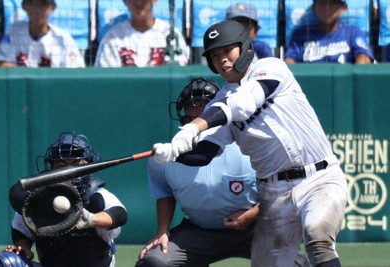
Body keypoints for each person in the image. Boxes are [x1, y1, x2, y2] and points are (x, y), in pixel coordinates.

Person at [153, 19, 347, 267]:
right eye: (214, 55)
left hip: (319, 178)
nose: (222, 59)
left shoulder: (272, 68)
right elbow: (204, 153)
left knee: (317, 235)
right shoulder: (218, 105)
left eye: (227, 51)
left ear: (245, 47)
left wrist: (193, 127)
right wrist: (172, 153)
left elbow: (240, 104)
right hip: (275, 193)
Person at [136, 78, 309, 267]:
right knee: (153, 262)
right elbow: (165, 193)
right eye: (193, 105)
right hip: (200, 230)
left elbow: (281, 190)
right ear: (184, 111)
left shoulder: (250, 146)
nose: (199, 111)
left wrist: (252, 214)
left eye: (207, 105)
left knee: (296, 264)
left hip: (255, 229)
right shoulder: (166, 156)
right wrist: (161, 230)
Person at [6, 132, 127, 267]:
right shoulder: (36, 201)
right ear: (51, 169)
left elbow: (119, 214)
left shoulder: (96, 196)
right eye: (62, 166)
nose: (70, 172)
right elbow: (20, 230)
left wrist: (89, 219)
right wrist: (22, 248)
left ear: (89, 167)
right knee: (6, 263)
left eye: (76, 165)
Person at [94, 0, 190, 67]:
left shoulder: (170, 33)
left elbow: (179, 73)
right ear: (125, 1)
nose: (138, 2)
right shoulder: (113, 37)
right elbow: (106, 78)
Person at [0, 0, 85, 68]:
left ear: (52, 7)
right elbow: (0, 62)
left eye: (43, 4)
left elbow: (77, 71)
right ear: (24, 6)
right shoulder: (14, 30)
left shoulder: (63, 38)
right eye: (32, 3)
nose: (37, 9)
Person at [284, 0, 374, 64]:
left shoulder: (353, 32)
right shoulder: (301, 34)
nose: (327, 8)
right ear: (314, 8)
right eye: (322, 3)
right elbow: (290, 61)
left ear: (343, 8)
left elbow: (365, 57)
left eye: (332, 3)